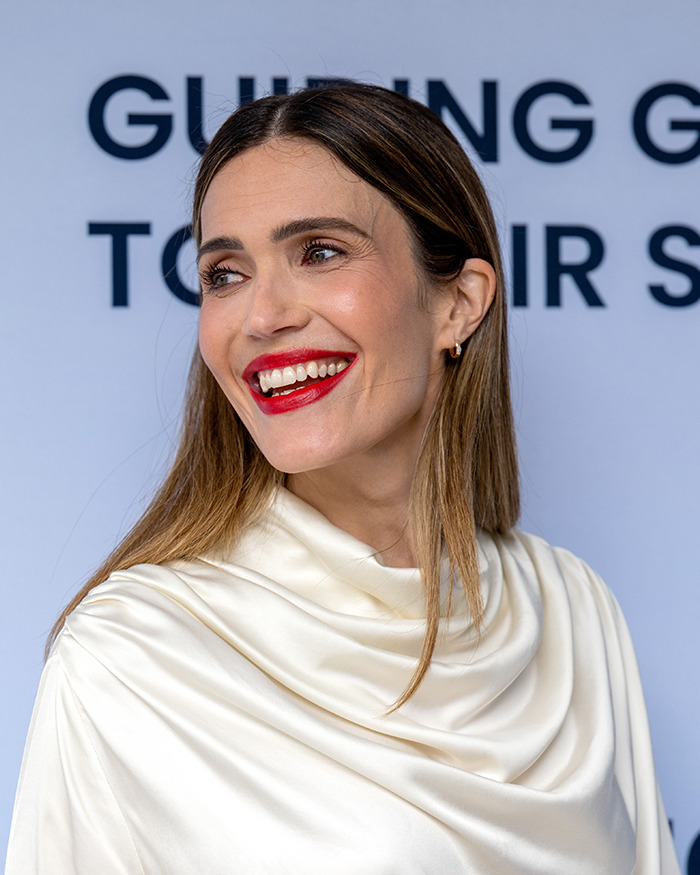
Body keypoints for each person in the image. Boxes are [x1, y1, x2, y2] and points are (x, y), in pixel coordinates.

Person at [6, 82, 680, 874]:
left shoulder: (572, 608)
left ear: (459, 303)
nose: (263, 316)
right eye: (225, 273)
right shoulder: (131, 654)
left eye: (320, 253)